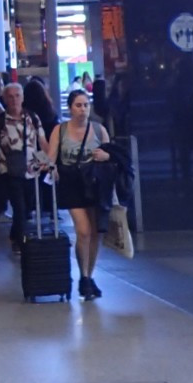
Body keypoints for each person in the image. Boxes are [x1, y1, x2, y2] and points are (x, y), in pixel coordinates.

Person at [46, 88, 114, 299]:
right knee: (83, 231)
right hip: (71, 184)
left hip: (95, 184)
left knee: (96, 233)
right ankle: (83, 275)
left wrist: (106, 155)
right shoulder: (60, 130)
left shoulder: (99, 129)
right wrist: (52, 167)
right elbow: (51, 156)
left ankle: (88, 277)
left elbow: (113, 156)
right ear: (70, 108)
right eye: (78, 105)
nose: (83, 110)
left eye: (86, 105)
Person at [0, 82, 47, 252]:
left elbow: (42, 141)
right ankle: (20, 242)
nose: (14, 100)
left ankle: (15, 234)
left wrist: (49, 162)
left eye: (17, 96)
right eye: (10, 96)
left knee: (27, 207)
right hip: (9, 171)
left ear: (23, 98)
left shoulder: (32, 118)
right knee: (19, 206)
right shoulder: (0, 120)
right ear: (4, 99)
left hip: (31, 171)